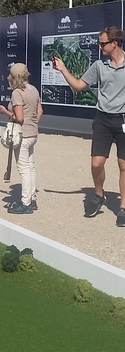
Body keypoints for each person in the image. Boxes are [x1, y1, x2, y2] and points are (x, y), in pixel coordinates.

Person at [53, 26, 125, 226]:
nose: (99, 46)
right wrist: (63, 69)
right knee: (96, 163)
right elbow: (78, 86)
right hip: (102, 118)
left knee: (123, 165)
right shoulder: (99, 66)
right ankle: (98, 195)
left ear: (114, 43)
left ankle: (123, 208)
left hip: (124, 120)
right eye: (99, 43)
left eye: (102, 43)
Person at [0, 63, 43, 214]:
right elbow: (40, 111)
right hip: (33, 133)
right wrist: (33, 124)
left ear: (14, 77)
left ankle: (25, 202)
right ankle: (32, 198)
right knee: (31, 167)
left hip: (22, 135)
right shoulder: (34, 89)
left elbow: (19, 118)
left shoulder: (17, 93)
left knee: (23, 169)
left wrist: (5, 111)